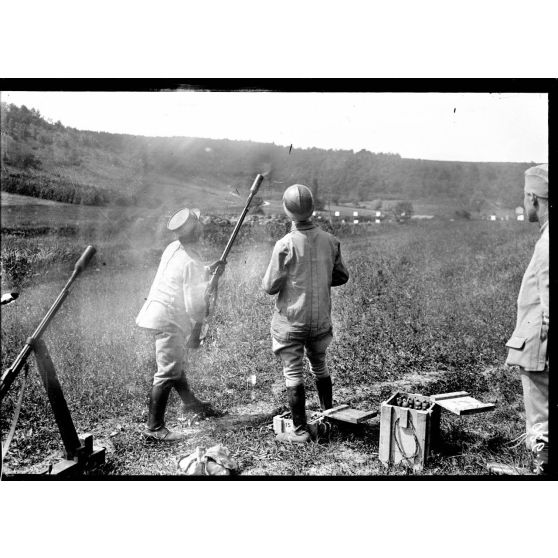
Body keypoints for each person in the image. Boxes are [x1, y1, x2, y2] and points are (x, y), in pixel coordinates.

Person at [262, 184, 349, 443]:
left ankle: (299, 431)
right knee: (319, 365)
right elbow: (341, 276)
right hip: (320, 322)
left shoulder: (285, 244)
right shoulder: (331, 241)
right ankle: (329, 416)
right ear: (312, 209)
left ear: (287, 212)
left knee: (293, 372)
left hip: (292, 323)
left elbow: (269, 286)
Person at [136, 207, 224, 442]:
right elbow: (194, 306)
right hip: (168, 320)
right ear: (196, 230)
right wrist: (206, 303)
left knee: (174, 363)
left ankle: (190, 403)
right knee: (167, 372)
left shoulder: (174, 248)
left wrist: (207, 272)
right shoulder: (191, 261)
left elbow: (184, 274)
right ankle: (154, 428)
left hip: (158, 314)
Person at [505, 164, 549, 473]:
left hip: (541, 351)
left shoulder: (547, 245)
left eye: (525, 196)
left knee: (541, 424)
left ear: (533, 198)